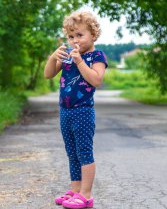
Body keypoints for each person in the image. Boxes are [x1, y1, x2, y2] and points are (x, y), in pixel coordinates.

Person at [44, 11, 108, 208]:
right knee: (72, 153)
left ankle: (86, 195)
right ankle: (75, 190)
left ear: (93, 35)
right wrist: (53, 58)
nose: (74, 41)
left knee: (84, 153)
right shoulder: (68, 56)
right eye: (71, 37)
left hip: (83, 111)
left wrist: (80, 60)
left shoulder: (96, 56)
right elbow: (49, 74)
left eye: (80, 35)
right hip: (65, 111)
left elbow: (96, 80)